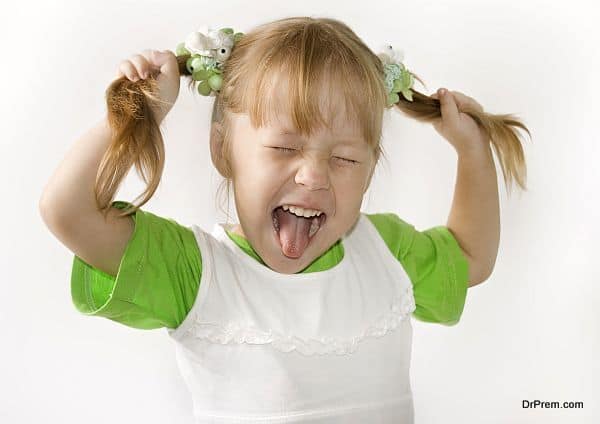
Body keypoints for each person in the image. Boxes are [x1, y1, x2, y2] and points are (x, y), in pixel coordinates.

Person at [39, 16, 530, 423]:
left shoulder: (386, 253)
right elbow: (67, 210)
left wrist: (472, 150)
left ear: (370, 169)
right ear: (222, 150)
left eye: (345, 159)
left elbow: (470, 257)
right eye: (283, 147)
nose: (314, 176)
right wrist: (140, 111)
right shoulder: (194, 272)